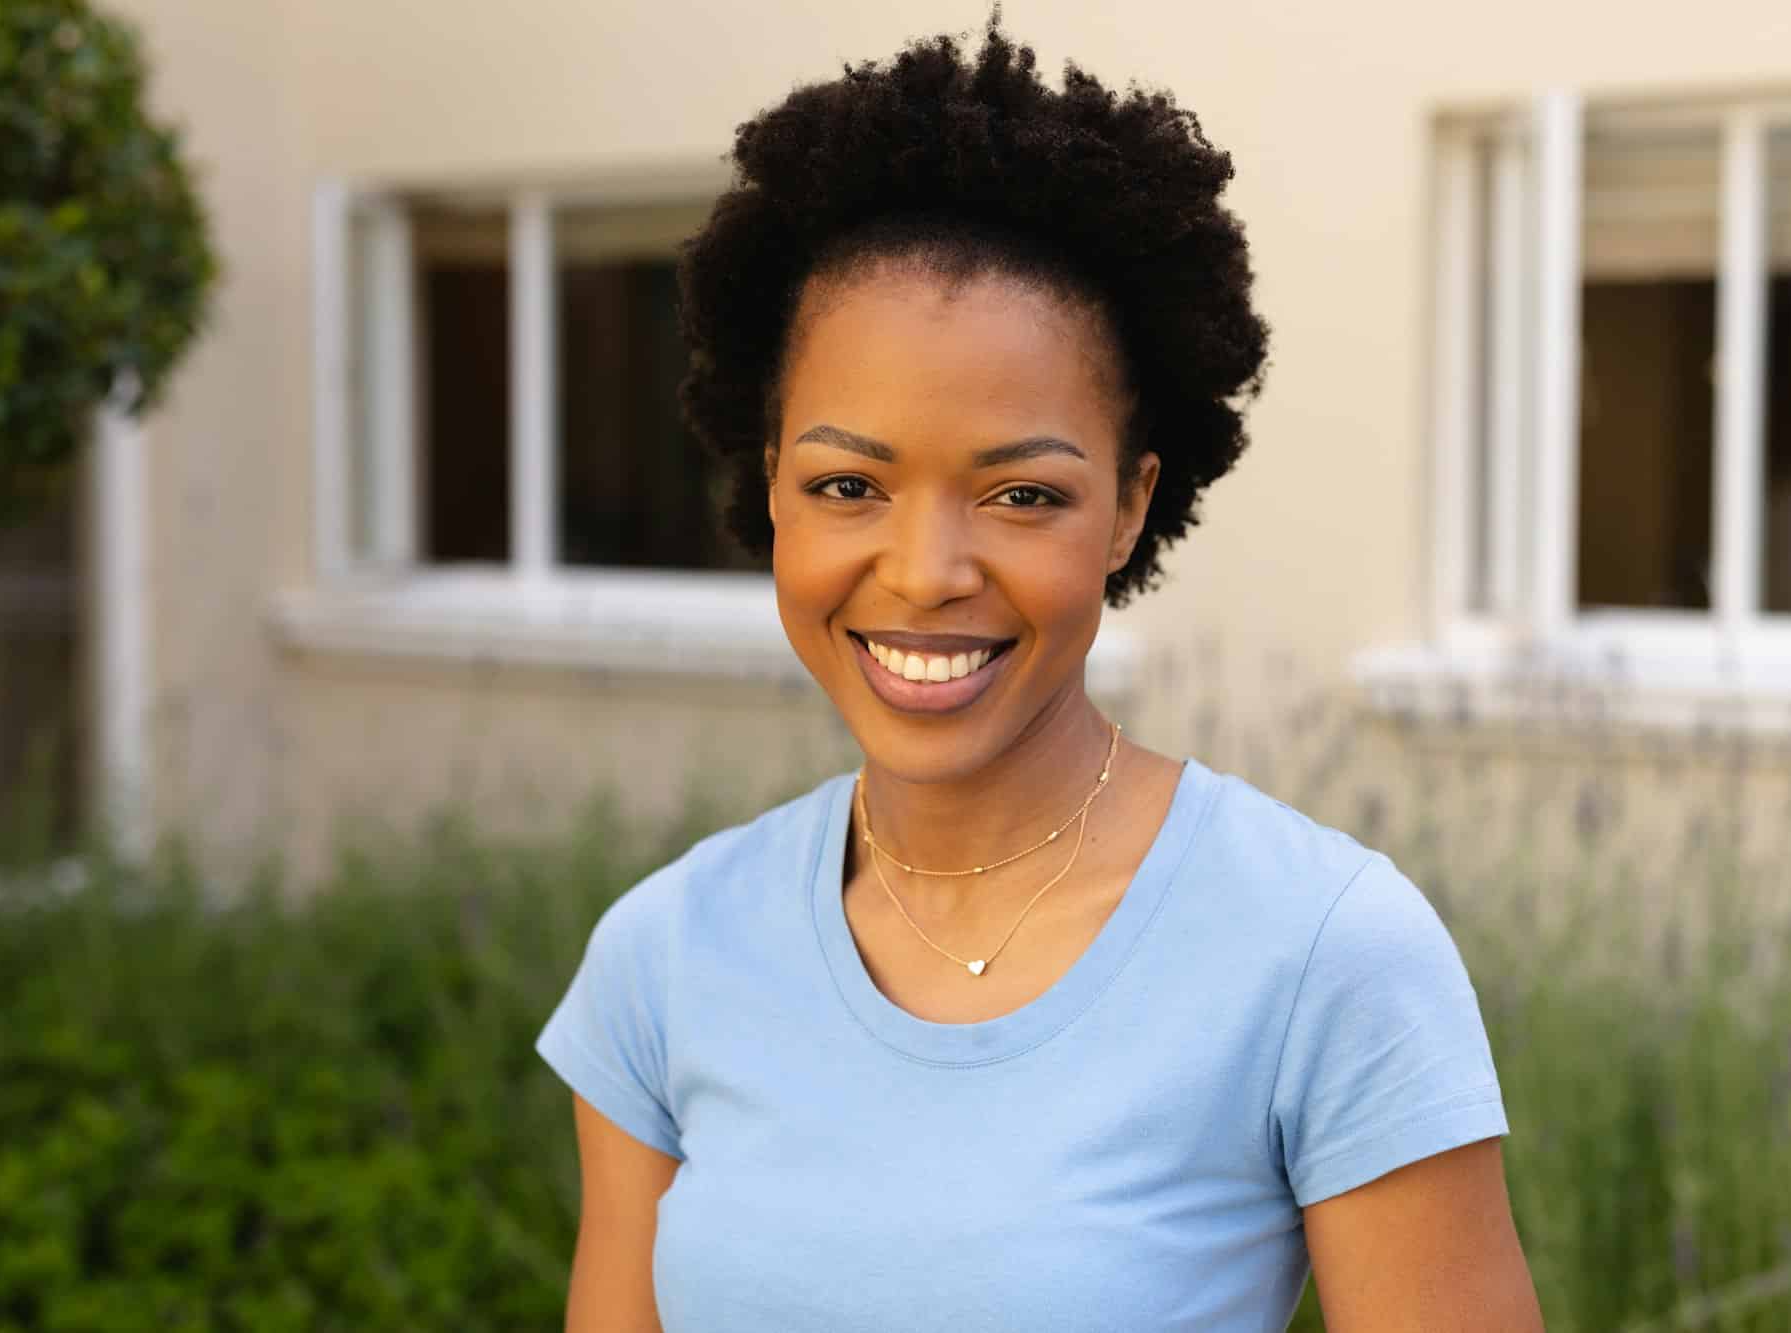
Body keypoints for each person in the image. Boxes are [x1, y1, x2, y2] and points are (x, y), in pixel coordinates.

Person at [536, 18, 1543, 1331]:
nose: (925, 569)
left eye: (1021, 492)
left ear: (1127, 509)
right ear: (768, 482)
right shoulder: (664, 956)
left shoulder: (1321, 954)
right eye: (848, 484)